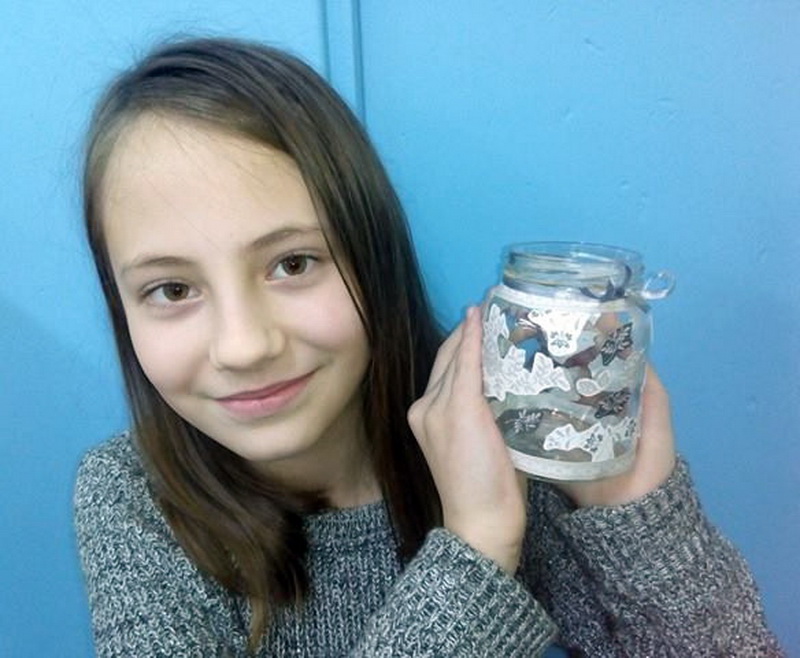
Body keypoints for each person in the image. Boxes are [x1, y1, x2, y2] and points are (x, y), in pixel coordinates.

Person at [74, 36, 783, 657]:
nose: (242, 346)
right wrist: (476, 546)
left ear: (373, 256)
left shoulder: (493, 435)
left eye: (293, 263)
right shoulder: (132, 495)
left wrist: (635, 515)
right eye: (171, 289)